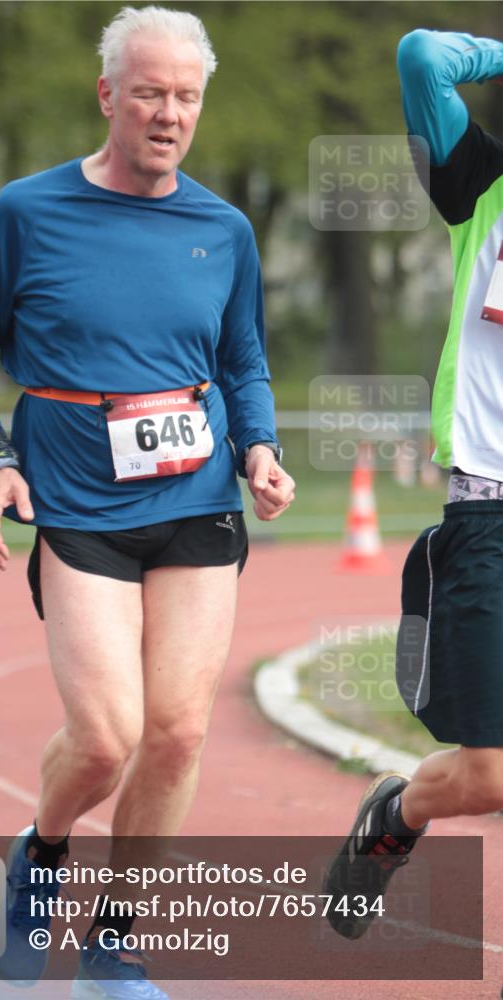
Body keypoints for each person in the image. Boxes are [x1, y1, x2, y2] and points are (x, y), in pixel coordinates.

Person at [0, 5, 295, 995]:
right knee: (105, 737)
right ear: (108, 96)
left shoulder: (222, 229)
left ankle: (114, 943)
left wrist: (258, 446)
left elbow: (242, 359)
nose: (168, 113)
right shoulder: (24, 212)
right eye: (149, 93)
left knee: (177, 729)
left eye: (185, 97)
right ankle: (41, 853)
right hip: (80, 505)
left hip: (197, 501)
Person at [323, 28, 503, 941]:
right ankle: (393, 819)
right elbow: (420, 57)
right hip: (490, 514)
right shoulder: (482, 184)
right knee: (488, 775)